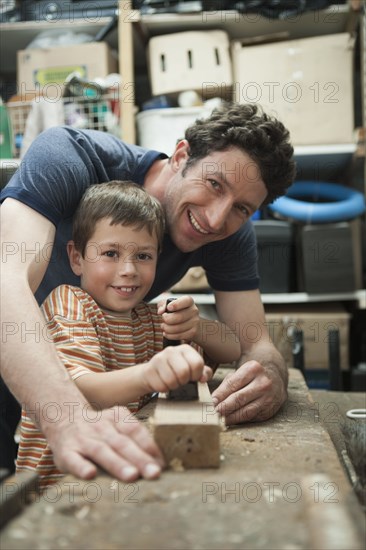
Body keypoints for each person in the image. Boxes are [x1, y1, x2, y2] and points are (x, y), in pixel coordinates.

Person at [1, 102, 296, 482]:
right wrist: (70, 416)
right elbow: (6, 280)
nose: (216, 219)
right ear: (181, 155)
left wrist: (271, 377)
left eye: (241, 208)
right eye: (213, 184)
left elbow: (252, 343)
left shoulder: (229, 234)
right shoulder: (69, 155)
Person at [16, 181, 240, 487]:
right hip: (57, 485)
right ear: (77, 258)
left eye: (144, 256)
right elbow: (82, 390)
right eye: (111, 253)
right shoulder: (69, 303)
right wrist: (149, 376)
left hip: (115, 474)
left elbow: (233, 351)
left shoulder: (151, 318)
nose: (129, 270)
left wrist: (196, 326)